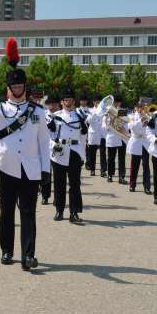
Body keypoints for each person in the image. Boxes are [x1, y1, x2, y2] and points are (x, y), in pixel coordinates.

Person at [0, 55, 50, 271]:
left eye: (20, 85)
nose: (17, 88)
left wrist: (46, 170)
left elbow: (44, 143)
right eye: (13, 85)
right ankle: (7, 250)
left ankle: (28, 255)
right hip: (7, 167)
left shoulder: (38, 112)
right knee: (7, 211)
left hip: (30, 168)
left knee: (28, 212)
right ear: (9, 88)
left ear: (25, 87)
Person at [49, 87, 90, 223]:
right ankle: (59, 211)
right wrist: (53, 146)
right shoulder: (55, 116)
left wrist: (83, 155)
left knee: (75, 184)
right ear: (62, 102)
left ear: (73, 101)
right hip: (59, 151)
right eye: (65, 99)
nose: (68, 102)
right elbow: (49, 136)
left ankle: (74, 212)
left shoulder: (79, 116)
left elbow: (83, 138)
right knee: (59, 183)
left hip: (74, 150)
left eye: (70, 99)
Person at [127, 98, 151, 194]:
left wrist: (147, 118)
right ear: (135, 108)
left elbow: (151, 127)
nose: (140, 109)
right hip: (136, 142)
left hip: (145, 142)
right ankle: (132, 185)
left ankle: (147, 186)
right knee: (134, 165)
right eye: (138, 107)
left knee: (146, 165)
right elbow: (131, 127)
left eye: (142, 107)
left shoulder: (147, 116)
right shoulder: (131, 116)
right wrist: (141, 120)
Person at [40, 92, 60, 205]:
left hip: (58, 147)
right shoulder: (43, 115)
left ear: (59, 104)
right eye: (50, 104)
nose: (52, 107)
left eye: (55, 104)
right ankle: (45, 195)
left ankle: (57, 198)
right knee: (46, 173)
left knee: (58, 175)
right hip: (45, 146)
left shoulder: (62, 115)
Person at [104, 93, 128, 184]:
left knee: (122, 158)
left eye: (119, 102)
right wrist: (111, 120)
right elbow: (105, 125)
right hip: (112, 137)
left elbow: (126, 124)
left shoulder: (122, 111)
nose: (118, 104)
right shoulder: (108, 112)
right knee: (111, 158)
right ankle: (110, 175)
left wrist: (121, 124)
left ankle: (121, 176)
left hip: (121, 137)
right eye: (116, 103)